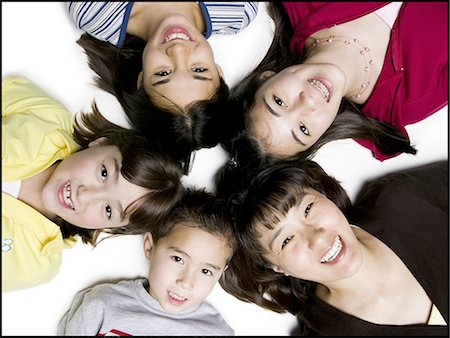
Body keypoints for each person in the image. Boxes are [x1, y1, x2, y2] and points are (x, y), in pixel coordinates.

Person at [215, 159, 448, 335]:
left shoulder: (399, 199)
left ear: (324, 195)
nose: (316, 238)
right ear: (275, 267)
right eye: (286, 240)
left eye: (307, 209)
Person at [2, 76, 184, 292]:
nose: (85, 195)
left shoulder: (36, 263)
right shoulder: (45, 117)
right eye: (104, 173)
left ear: (108, 227)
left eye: (108, 209)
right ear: (100, 143)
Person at [222, 2, 448, 163]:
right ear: (322, 133)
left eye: (279, 102)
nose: (308, 102)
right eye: (303, 129)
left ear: (266, 77)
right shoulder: (409, 100)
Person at [67, 2, 259, 172]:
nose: (178, 50)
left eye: (163, 73)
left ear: (141, 80)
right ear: (219, 72)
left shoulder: (95, 12)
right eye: (199, 69)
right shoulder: (238, 10)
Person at [57, 188, 236, 335]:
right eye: (178, 259)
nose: (186, 283)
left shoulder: (217, 332)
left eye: (206, 271)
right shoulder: (102, 305)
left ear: (221, 272)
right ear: (150, 247)